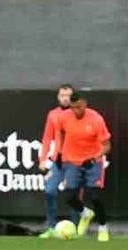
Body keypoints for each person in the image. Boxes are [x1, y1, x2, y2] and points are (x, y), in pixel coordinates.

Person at [58, 94, 111, 242]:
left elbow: (107, 146)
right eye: (73, 107)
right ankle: (85, 214)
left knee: (95, 196)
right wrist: (61, 153)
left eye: (79, 107)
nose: (76, 111)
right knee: (69, 196)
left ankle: (103, 227)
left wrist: (94, 158)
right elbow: (61, 133)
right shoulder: (64, 118)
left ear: (85, 104)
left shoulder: (96, 119)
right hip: (71, 161)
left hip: (92, 161)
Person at [38, 84, 81, 238]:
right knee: (49, 190)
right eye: (62, 95)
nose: (65, 98)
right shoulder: (53, 115)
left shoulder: (78, 114)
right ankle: (50, 226)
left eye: (68, 95)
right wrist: (43, 159)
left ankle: (75, 228)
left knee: (73, 194)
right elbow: (47, 137)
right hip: (59, 161)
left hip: (75, 161)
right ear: (58, 97)